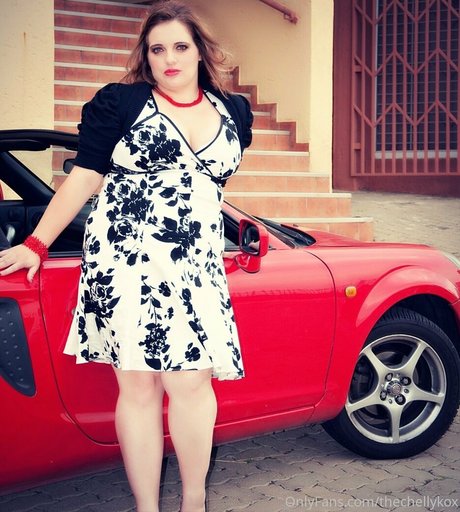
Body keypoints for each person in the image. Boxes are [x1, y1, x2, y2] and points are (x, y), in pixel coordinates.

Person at [0, 1, 253, 511]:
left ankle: (195, 502)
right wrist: (35, 243)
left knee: (191, 383)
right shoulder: (121, 103)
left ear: (200, 51)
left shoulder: (235, 111)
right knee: (138, 388)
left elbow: (206, 189)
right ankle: (146, 507)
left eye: (180, 46)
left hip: (196, 265)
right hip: (128, 259)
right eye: (157, 50)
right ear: (146, 56)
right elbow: (84, 179)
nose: (169, 59)